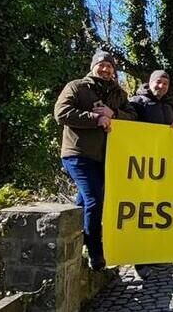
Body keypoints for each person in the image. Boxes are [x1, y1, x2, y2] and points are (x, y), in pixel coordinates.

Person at [54, 51, 136, 271]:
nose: (106, 69)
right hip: (77, 154)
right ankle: (95, 252)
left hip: (106, 157)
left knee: (83, 202)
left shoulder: (119, 94)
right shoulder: (77, 87)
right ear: (93, 66)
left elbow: (133, 118)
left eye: (110, 66)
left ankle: (73, 243)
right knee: (94, 200)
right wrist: (96, 118)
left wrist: (114, 114)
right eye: (101, 65)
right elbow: (61, 113)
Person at [128, 70, 173, 279]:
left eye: (165, 83)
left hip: (162, 167)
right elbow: (127, 126)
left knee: (158, 211)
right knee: (142, 212)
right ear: (150, 82)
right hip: (141, 166)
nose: (162, 86)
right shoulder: (136, 102)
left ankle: (154, 253)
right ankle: (139, 259)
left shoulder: (169, 106)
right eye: (159, 82)